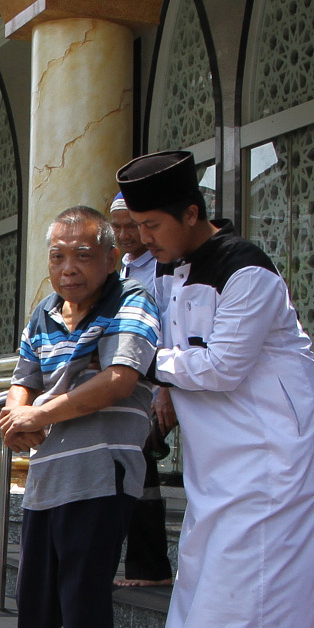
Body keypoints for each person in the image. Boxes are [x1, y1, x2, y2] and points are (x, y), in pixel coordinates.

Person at [115, 150, 314, 628]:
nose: (146, 241)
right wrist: (163, 387)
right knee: (207, 557)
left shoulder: (247, 270)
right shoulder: (168, 268)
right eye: (139, 229)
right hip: (220, 449)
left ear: (191, 214)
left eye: (153, 227)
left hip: (273, 443)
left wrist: (144, 366)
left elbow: (223, 365)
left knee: (256, 562)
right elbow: (179, 347)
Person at [0, 206, 160, 628]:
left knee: (83, 611)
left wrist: (44, 410)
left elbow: (120, 378)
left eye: (82, 253)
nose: (68, 267)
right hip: (47, 479)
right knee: (38, 605)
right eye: (57, 254)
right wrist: (18, 415)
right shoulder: (45, 313)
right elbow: (21, 383)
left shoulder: (133, 301)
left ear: (109, 256)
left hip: (102, 477)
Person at [110, 194, 175, 589]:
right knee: (136, 469)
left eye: (130, 225)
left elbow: (172, 328)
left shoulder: (164, 268)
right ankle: (147, 566)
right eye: (116, 227)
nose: (123, 234)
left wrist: (164, 388)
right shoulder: (122, 267)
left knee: (140, 469)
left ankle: (150, 567)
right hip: (132, 384)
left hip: (161, 383)